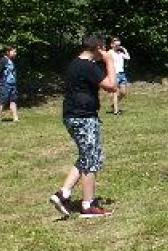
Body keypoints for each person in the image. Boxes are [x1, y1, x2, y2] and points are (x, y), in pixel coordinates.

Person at [50, 35, 117, 219]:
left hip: (74, 116)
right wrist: (110, 61)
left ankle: (63, 194)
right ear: (97, 48)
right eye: (102, 49)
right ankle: (88, 205)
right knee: (91, 159)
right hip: (83, 117)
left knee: (87, 155)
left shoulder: (74, 64)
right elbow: (111, 86)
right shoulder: (88, 66)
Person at [0, 45, 20, 122]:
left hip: (12, 84)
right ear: (8, 52)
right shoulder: (3, 60)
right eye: (14, 51)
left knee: (13, 100)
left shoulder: (11, 60)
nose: (15, 53)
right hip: (4, 84)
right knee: (2, 101)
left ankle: (15, 118)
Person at [109, 36, 131, 115]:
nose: (117, 45)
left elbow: (128, 57)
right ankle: (116, 111)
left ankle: (114, 105)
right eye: (115, 43)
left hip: (122, 74)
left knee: (123, 92)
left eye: (118, 43)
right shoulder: (110, 52)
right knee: (115, 92)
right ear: (112, 44)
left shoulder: (120, 53)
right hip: (115, 74)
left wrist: (124, 49)